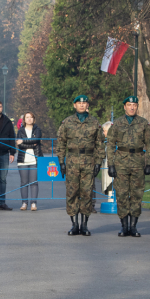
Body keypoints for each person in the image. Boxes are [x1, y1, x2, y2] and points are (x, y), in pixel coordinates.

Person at [107, 96, 150, 237]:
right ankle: (124, 226)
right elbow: (110, 144)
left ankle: (133, 226)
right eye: (129, 105)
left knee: (136, 194)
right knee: (121, 194)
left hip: (138, 162)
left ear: (137, 107)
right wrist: (110, 164)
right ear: (124, 107)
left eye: (134, 105)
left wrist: (149, 163)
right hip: (121, 162)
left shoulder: (143, 123)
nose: (132, 107)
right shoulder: (117, 123)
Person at [57, 95, 104, 236]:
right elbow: (61, 143)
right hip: (72, 161)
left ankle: (84, 225)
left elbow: (99, 144)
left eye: (84, 103)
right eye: (79, 103)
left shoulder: (94, 122)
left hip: (88, 161)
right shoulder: (67, 122)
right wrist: (61, 162)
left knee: (87, 193)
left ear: (87, 105)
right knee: (72, 193)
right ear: (74, 105)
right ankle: (74, 224)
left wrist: (98, 162)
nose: (82, 105)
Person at [15, 112, 43, 211]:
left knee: (34, 182)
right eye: (27, 117)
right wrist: (31, 144)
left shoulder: (38, 130)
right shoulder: (20, 131)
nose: (29, 119)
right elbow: (19, 144)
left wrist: (24, 141)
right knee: (24, 182)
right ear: (24, 120)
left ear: (34, 119)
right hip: (23, 160)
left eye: (31, 117)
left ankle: (33, 203)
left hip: (34, 159)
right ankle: (24, 203)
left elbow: (36, 140)